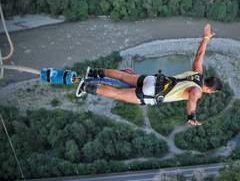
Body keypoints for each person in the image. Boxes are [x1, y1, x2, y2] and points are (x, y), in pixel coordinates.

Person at [77, 24, 222, 126]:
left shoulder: (197, 73)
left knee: (122, 76)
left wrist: (206, 38)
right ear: (210, 90)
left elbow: (199, 55)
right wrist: (191, 116)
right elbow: (192, 101)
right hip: (152, 93)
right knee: (117, 94)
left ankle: (93, 72)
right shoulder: (197, 92)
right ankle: (85, 87)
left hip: (153, 79)